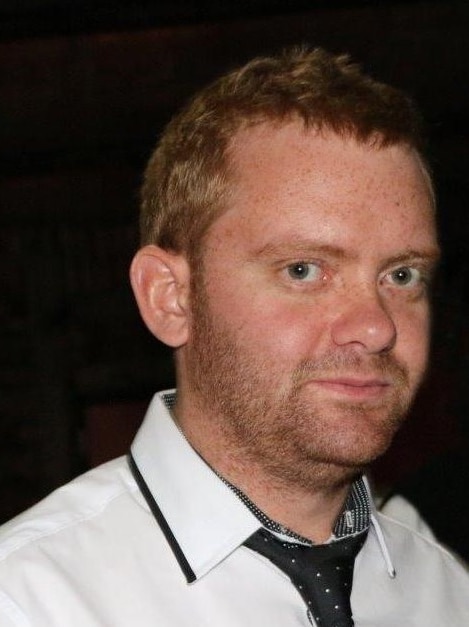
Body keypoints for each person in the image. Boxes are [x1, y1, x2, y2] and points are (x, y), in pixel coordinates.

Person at [0, 47, 468, 626]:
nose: (376, 326)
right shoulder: (30, 600)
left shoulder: (446, 592)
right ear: (170, 297)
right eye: (303, 270)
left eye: (401, 275)